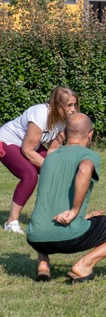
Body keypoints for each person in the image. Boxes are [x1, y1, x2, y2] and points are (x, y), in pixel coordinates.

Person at [26, 113, 106, 283]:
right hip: (69, 238)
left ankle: (43, 264)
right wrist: (75, 211)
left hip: (36, 238)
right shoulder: (88, 155)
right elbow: (84, 170)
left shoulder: (49, 158)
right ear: (90, 134)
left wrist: (83, 216)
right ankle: (84, 266)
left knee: (45, 212)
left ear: (65, 133)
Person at [0, 86, 79, 234]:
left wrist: (54, 170)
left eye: (75, 105)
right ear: (58, 105)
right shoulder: (40, 115)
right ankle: (11, 222)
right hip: (6, 141)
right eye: (69, 105)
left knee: (57, 174)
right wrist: (48, 167)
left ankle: (60, 216)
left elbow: (52, 150)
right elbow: (27, 150)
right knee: (29, 176)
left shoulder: (65, 121)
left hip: (29, 145)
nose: (73, 109)